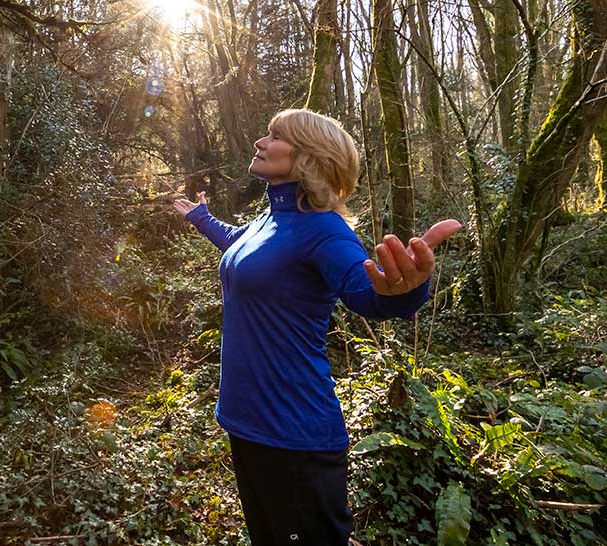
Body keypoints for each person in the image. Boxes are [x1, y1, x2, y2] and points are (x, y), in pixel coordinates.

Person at [171, 108, 461, 546]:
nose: (259, 142)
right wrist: (202, 219)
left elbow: (364, 293)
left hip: (295, 439)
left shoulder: (327, 232)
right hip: (246, 424)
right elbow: (242, 244)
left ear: (308, 155)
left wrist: (404, 290)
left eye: (274, 136)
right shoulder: (271, 218)